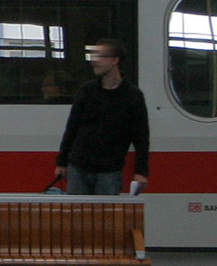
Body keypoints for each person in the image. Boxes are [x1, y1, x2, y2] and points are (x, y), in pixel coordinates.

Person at [54, 39, 150, 195]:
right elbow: (72, 128)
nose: (94, 61)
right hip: (78, 167)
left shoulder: (133, 96)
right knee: (77, 217)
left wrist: (141, 172)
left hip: (109, 171)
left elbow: (141, 137)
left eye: (99, 56)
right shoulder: (87, 91)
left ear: (114, 60)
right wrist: (61, 162)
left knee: (106, 217)